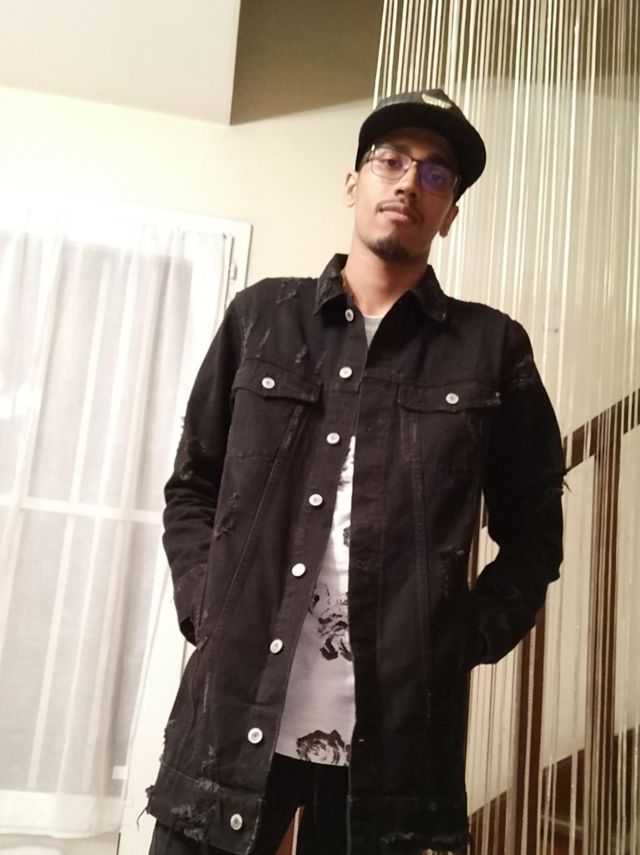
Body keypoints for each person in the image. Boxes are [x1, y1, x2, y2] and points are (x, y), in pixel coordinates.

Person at [144, 90, 564, 855]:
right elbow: (192, 485)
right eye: (390, 161)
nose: (408, 182)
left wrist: (458, 638)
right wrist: (211, 604)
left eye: (435, 174)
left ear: (449, 213)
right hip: (230, 721)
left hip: (397, 748)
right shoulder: (260, 318)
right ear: (353, 183)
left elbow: (535, 534)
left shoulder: (492, 349)